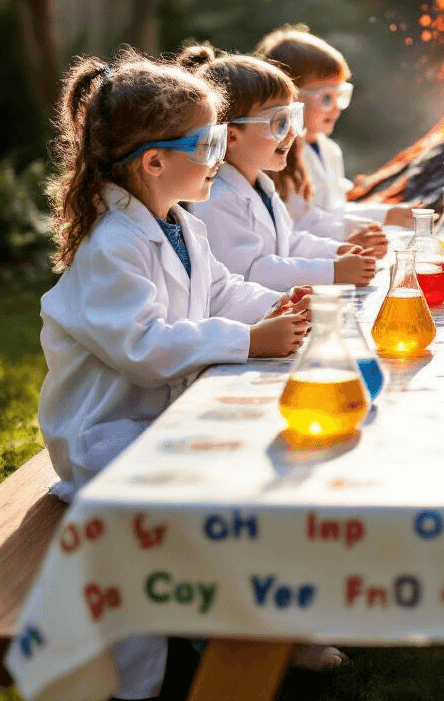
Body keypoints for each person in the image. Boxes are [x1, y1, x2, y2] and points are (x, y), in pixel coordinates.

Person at [38, 51, 310, 700]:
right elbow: (144, 346)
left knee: (275, 461)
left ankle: (244, 623)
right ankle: (135, 682)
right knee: (182, 514)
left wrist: (276, 310)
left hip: (162, 420)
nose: (218, 154)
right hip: (108, 441)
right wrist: (250, 340)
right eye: (208, 142)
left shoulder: (180, 224)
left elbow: (219, 292)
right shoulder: (113, 247)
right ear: (154, 161)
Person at [183, 46, 377, 290]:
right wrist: (332, 271)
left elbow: (289, 242)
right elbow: (249, 271)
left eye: (293, 118)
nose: (294, 133)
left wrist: (337, 251)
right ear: (231, 137)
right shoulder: (217, 199)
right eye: (279, 122)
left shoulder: (261, 184)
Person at [255, 25, 417, 249]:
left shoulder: (329, 149)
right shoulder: (279, 159)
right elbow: (301, 223)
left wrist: (390, 214)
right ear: (290, 98)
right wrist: (358, 230)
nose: (337, 108)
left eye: (341, 95)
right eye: (326, 98)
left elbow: (334, 210)